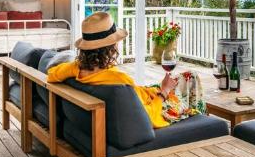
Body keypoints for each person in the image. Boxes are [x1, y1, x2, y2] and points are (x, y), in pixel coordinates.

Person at [46, 12, 205, 127]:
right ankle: (202, 126)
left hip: (146, 94)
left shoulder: (76, 69)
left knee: (184, 77)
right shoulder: (118, 79)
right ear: (110, 47)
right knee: (191, 76)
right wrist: (164, 91)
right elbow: (146, 116)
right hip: (157, 105)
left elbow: (52, 74)